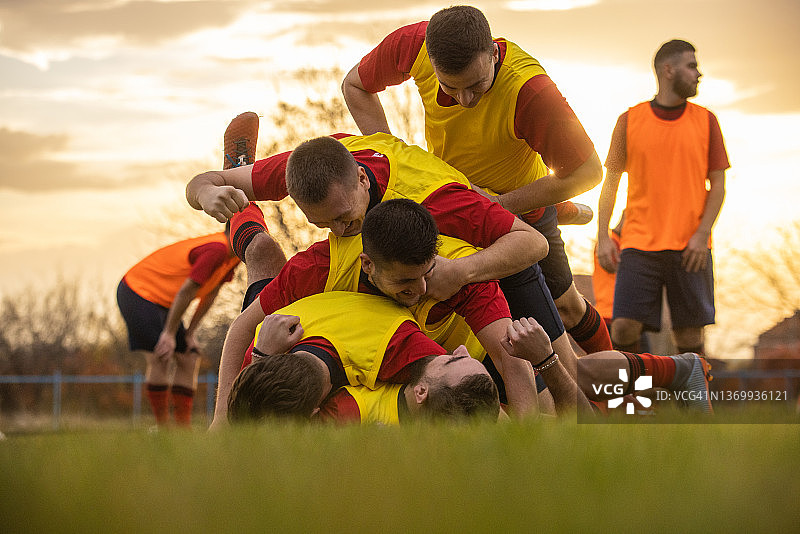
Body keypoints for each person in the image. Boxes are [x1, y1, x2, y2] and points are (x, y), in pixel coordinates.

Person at [340, 5, 611, 355]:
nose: (466, 100)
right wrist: (391, 156)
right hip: (453, 205)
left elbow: (589, 171)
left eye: (477, 84)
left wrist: (497, 205)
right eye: (451, 87)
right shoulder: (414, 45)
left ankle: (616, 399)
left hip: (520, 214)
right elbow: (355, 85)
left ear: (493, 53)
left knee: (567, 307)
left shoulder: (530, 91)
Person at [597, 39, 729, 356]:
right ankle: (635, 403)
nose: (699, 73)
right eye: (691, 66)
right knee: (624, 326)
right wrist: (602, 237)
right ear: (668, 70)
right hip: (639, 244)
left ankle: (695, 404)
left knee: (688, 334)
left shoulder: (706, 120)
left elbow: (719, 185)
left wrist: (701, 234)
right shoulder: (629, 121)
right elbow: (610, 183)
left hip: (691, 247)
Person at [226, 291, 501, 422]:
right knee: (262, 256)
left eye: (453, 359)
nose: (459, 350)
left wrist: (262, 356)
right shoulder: (348, 409)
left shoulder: (397, 345)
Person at [116, 226, 240, 428]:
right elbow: (187, 291)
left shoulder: (234, 257)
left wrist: (190, 333)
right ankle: (163, 429)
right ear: (235, 227)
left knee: (189, 356)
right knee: (161, 354)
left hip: (166, 302)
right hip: (137, 292)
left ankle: (183, 430)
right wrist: (168, 334)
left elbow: (210, 294)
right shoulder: (217, 249)